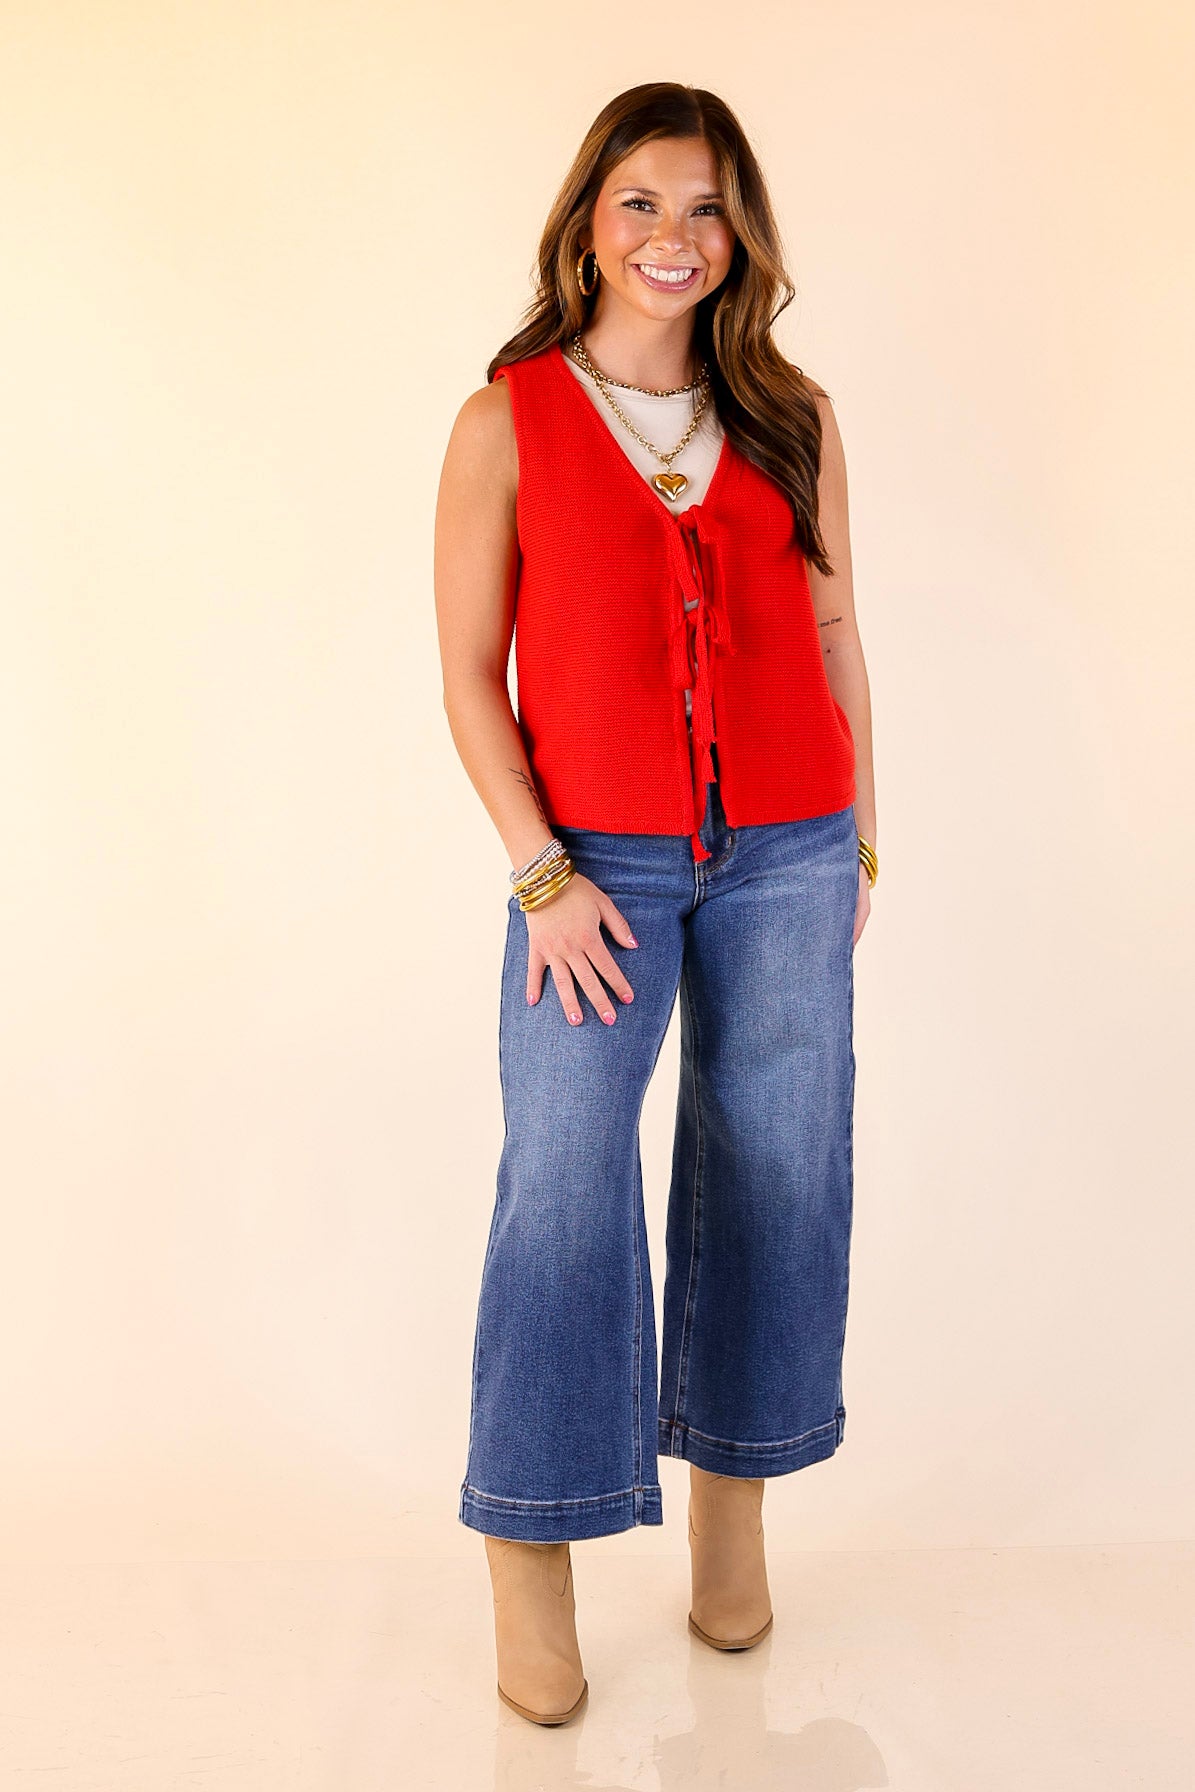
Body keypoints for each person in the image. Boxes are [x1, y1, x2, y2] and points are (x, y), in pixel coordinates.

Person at [434, 81, 877, 1727]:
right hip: (591, 868)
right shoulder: (507, 422)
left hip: (789, 846)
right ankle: (531, 1550)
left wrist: (860, 844)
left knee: (777, 1174)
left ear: (739, 234)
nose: (674, 238)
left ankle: (732, 1515)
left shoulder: (793, 415)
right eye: (641, 203)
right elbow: (469, 678)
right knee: (562, 1184)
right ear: (586, 224)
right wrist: (540, 870)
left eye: (706, 209)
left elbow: (835, 636)